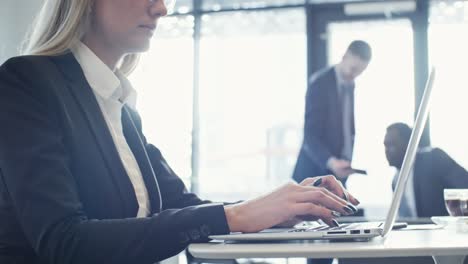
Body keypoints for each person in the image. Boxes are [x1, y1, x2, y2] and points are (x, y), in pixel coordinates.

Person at [0, 1, 360, 263]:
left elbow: (183, 207)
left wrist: (281, 207)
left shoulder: (121, 109)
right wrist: (236, 216)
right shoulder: (26, 82)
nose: (161, 9)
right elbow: (64, 242)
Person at [293, 40, 372, 186]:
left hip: (336, 173)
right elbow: (310, 136)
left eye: (360, 72)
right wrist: (331, 162)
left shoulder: (350, 83)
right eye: (353, 69)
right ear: (344, 57)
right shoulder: (320, 84)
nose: (354, 75)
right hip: (313, 174)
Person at [384, 122, 468, 218]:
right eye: (385, 146)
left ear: (409, 144)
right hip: (416, 232)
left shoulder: (433, 158)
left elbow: (465, 182)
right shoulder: (396, 181)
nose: (386, 151)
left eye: (391, 145)